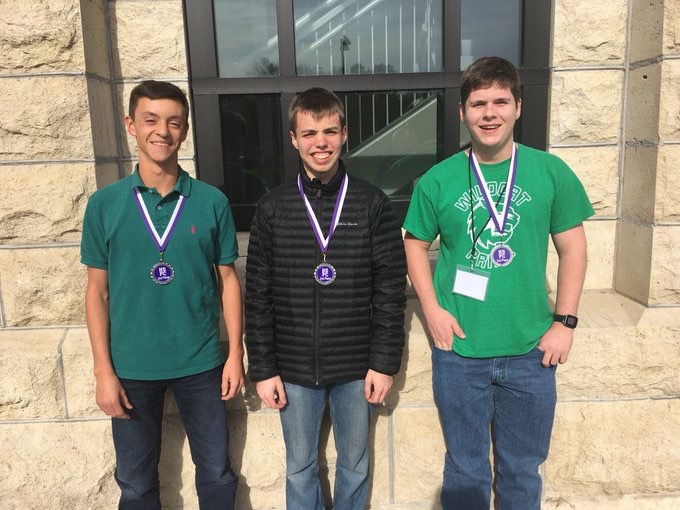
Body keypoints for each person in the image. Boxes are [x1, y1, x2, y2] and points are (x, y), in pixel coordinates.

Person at [402, 56, 594, 509]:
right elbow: (414, 245)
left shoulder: (550, 173)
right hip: (460, 353)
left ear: (518, 107)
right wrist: (431, 309)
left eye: (500, 102)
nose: (489, 113)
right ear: (462, 113)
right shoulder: (438, 180)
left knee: (522, 470)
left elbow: (575, 249)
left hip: (531, 352)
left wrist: (564, 322)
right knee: (465, 469)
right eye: (478, 103)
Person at [81, 80, 244, 509]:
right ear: (131, 125)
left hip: (202, 363)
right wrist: (103, 371)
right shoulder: (105, 204)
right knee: (135, 483)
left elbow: (228, 281)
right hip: (131, 365)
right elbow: (96, 292)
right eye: (151, 120)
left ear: (185, 130)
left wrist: (235, 355)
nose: (162, 131)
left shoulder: (211, 202)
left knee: (216, 474)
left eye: (174, 122)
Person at [244, 87, 406, 510]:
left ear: (345, 135)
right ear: (294, 138)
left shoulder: (371, 203)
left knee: (354, 463)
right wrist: (263, 368)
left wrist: (383, 363)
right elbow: (257, 295)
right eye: (310, 132)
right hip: (294, 369)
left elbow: (391, 288)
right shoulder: (273, 207)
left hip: (356, 367)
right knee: (300, 467)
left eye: (330, 131)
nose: (321, 142)